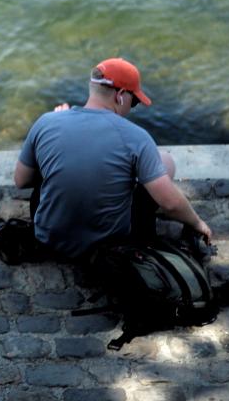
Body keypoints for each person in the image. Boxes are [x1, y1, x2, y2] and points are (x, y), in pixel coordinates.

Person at [12, 58, 213, 261]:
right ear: (120, 96)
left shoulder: (46, 122)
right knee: (166, 161)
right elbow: (170, 204)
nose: (131, 107)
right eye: (134, 102)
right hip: (107, 246)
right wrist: (197, 223)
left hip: (50, 238)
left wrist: (55, 141)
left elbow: (21, 181)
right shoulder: (136, 137)